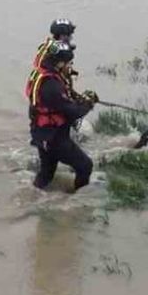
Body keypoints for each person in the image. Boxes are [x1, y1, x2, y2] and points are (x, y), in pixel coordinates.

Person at [26, 41, 98, 192]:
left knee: (46, 175)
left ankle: (32, 198)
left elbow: (60, 104)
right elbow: (72, 112)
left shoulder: (43, 73)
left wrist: (80, 100)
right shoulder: (51, 85)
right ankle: (78, 200)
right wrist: (88, 104)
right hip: (54, 137)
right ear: (59, 63)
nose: (69, 66)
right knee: (85, 166)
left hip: (41, 133)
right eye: (68, 62)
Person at [28, 19, 81, 99]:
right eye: (69, 35)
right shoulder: (53, 52)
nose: (71, 38)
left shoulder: (50, 45)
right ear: (62, 36)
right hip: (47, 86)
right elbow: (47, 68)